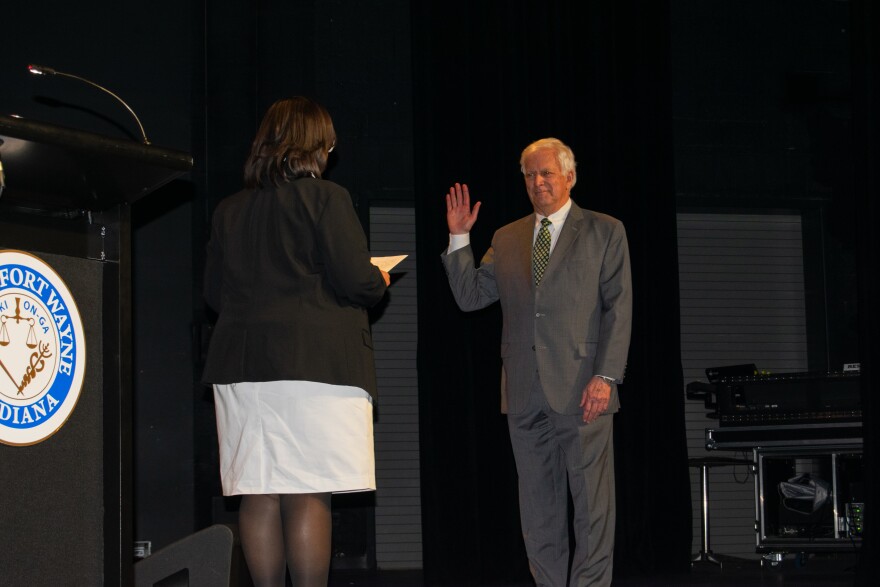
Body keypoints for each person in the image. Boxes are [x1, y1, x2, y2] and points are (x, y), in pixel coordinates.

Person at [202, 96, 390, 587]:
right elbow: (356, 280)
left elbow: (212, 294)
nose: (333, 148)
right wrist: (379, 281)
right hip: (313, 369)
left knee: (259, 492)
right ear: (313, 145)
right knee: (309, 492)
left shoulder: (229, 209)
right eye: (328, 139)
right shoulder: (326, 198)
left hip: (243, 372)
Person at [441, 137, 632, 587]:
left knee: (592, 513)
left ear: (569, 175)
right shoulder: (507, 237)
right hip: (525, 394)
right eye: (529, 174)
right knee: (538, 513)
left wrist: (605, 376)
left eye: (546, 172)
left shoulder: (606, 230)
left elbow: (619, 308)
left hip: (585, 389)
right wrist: (458, 236)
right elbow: (470, 298)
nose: (537, 182)